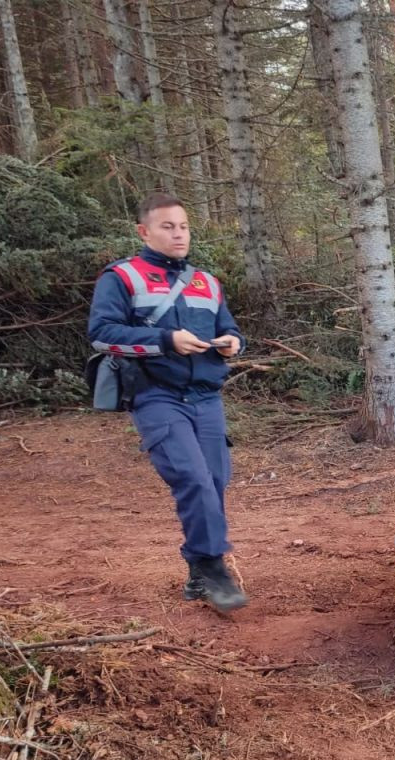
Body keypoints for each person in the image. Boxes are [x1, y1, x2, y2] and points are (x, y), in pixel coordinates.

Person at [87, 193, 249, 612]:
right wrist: (165, 340)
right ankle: (214, 569)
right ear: (144, 231)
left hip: (207, 397)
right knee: (192, 479)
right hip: (156, 395)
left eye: (183, 226)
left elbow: (228, 327)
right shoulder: (122, 277)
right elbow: (102, 333)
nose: (178, 234)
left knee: (214, 482)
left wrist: (234, 342)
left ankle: (197, 571)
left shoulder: (206, 281)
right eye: (167, 227)